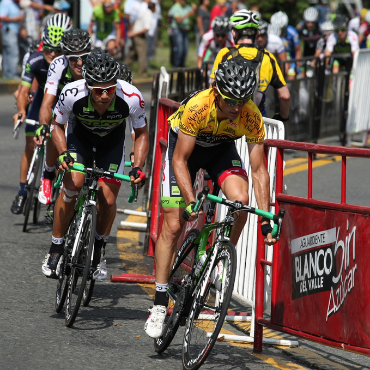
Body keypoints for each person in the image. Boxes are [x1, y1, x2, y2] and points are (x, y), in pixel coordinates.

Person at [144, 56, 277, 338]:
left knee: (240, 201)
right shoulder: (197, 107)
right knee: (173, 223)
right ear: (217, 91)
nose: (236, 107)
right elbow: (180, 160)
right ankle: (158, 303)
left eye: (242, 100)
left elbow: (259, 170)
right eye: (230, 101)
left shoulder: (250, 114)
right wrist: (190, 199)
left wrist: (266, 221)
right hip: (184, 154)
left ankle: (219, 256)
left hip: (220, 151)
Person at [41, 52, 149, 279]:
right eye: (98, 90)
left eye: (109, 89)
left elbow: (141, 134)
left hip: (111, 142)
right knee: (73, 186)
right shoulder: (71, 92)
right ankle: (56, 248)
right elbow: (57, 126)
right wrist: (62, 154)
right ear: (88, 86)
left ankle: (99, 251)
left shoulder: (131, 96)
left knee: (108, 199)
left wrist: (137, 166)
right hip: (80, 139)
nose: (104, 96)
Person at [10, 24, 65, 215]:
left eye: (58, 50)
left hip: (60, 105)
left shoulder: (66, 67)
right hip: (42, 100)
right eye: (48, 48)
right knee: (29, 143)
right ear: (43, 46)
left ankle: (54, 193)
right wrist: (22, 111)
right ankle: (22, 192)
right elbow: (24, 91)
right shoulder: (34, 61)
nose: (52, 53)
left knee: (59, 148)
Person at [36, 29, 92, 206]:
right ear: (66, 57)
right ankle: (48, 174)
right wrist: (44, 125)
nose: (80, 62)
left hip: (85, 104)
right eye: (74, 58)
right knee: (55, 125)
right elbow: (47, 102)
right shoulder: (58, 65)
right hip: (61, 102)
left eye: (83, 56)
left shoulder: (92, 65)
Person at [210, 10, 290, 121]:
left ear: (234, 33)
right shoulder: (268, 57)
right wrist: (283, 116)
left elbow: (212, 89)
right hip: (256, 122)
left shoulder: (225, 53)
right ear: (257, 34)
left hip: (228, 122)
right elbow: (285, 96)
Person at [125, 0, 155, 76]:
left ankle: (124, 67)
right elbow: (145, 28)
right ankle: (143, 72)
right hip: (139, 35)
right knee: (142, 53)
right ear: (154, 8)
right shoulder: (149, 14)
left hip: (135, 34)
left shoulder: (143, 12)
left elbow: (135, 21)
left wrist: (132, 31)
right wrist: (134, 33)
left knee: (133, 53)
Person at [270, 11, 301, 79]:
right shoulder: (270, 32)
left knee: (291, 76)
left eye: (282, 29)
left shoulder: (293, 32)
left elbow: (298, 49)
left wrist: (297, 65)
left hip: (290, 57)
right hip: (276, 56)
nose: (279, 31)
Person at [0, 0, 24, 80]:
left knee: (8, 53)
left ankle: (7, 75)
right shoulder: (6, 2)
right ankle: (11, 75)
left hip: (12, 31)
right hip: (8, 31)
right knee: (13, 53)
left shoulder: (15, 3)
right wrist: (17, 19)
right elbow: (2, 17)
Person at [169, 0, 197, 67]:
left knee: (185, 50)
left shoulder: (186, 6)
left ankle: (182, 66)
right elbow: (178, 20)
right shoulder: (175, 7)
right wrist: (188, 13)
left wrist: (195, 9)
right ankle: (176, 66)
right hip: (177, 30)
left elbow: (194, 14)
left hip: (184, 31)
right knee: (179, 50)